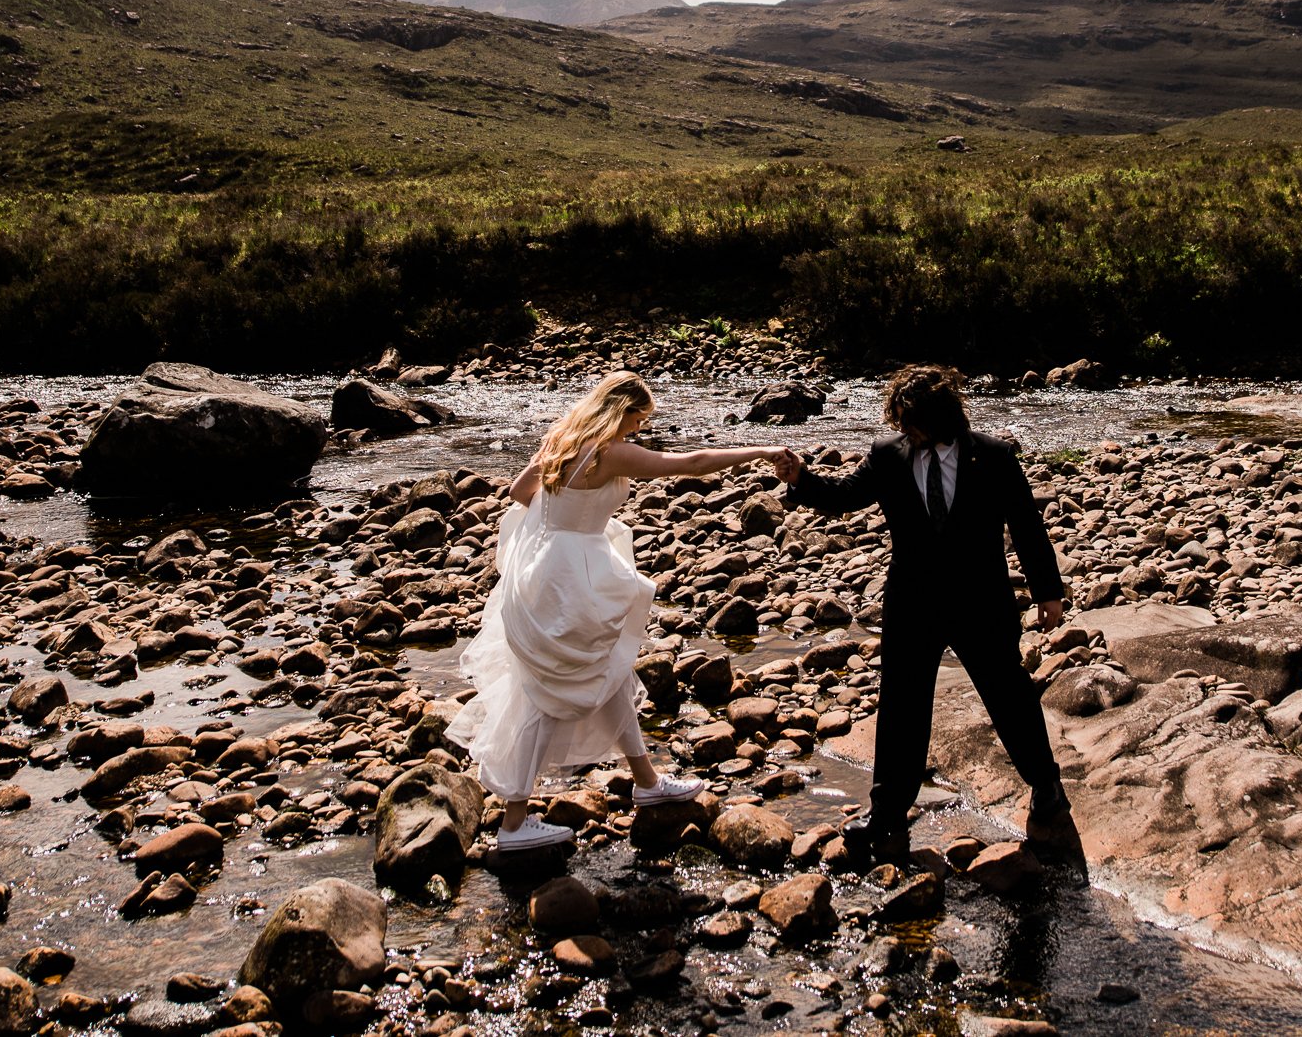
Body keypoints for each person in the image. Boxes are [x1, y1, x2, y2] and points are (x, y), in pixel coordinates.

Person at [447, 370, 804, 851]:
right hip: (574, 577)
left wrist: (563, 524)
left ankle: (647, 781)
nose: (639, 428)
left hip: (543, 570)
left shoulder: (561, 440)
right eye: (639, 419)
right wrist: (759, 452)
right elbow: (692, 463)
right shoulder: (609, 450)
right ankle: (513, 823)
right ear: (622, 411)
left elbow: (518, 493)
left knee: (607, 669)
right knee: (550, 692)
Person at [786, 362, 1070, 865]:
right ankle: (887, 814)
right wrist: (802, 479)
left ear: (941, 415)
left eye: (911, 421)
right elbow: (844, 498)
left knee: (1008, 695)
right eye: (899, 420)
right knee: (900, 706)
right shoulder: (888, 455)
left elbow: (1027, 526)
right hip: (912, 603)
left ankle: (1046, 785)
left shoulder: (995, 456)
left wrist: (1049, 593)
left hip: (981, 602)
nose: (904, 430)